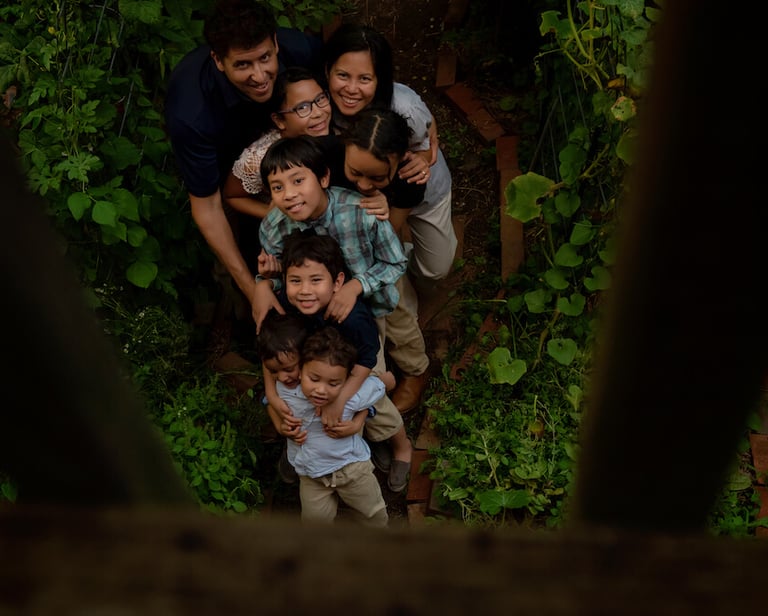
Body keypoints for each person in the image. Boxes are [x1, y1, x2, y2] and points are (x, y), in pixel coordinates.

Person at [164, 0, 322, 321]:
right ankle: (239, 315)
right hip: (226, 177)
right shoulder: (190, 110)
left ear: (276, 43)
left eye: (265, 58)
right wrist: (254, 293)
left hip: (297, 155)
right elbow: (207, 208)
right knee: (232, 256)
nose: (260, 75)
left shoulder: (301, 50)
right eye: (243, 65)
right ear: (218, 61)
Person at [253, 135, 430, 415]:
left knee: (402, 329)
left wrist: (356, 286)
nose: (288, 194)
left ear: (323, 178)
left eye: (298, 181)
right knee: (360, 352)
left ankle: (416, 371)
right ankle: (372, 399)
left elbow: (394, 262)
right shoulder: (274, 228)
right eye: (277, 187)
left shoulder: (361, 211)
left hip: (377, 292)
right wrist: (264, 283)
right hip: (327, 310)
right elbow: (275, 272)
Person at [265, 230, 411, 491]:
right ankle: (303, 448)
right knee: (303, 401)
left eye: (316, 280)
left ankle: (401, 447)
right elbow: (269, 351)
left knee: (376, 405)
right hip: (313, 367)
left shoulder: (353, 318)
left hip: (358, 361)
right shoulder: (284, 305)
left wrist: (341, 399)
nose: (305, 291)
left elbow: (366, 359)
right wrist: (271, 395)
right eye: (295, 280)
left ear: (337, 282)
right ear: (284, 280)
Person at [322, 23, 458, 291]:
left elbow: (428, 130)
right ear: (327, 71)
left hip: (418, 189)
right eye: (342, 75)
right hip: (365, 190)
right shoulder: (321, 104)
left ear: (380, 80)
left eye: (364, 79)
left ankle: (403, 256)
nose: (351, 89)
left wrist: (422, 157)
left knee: (435, 270)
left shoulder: (404, 106)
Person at [223, 66, 389, 222]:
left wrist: (377, 196)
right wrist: (274, 214)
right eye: (302, 108)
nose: (318, 113)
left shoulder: (338, 133)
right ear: (279, 120)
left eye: (320, 99)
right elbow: (233, 196)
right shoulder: (259, 157)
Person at [268, 325, 389, 527]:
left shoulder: (350, 397)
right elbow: (269, 402)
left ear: (346, 380)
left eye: (333, 384)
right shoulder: (288, 391)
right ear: (301, 371)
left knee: (374, 515)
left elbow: (379, 386)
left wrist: (359, 420)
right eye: (314, 379)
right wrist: (281, 426)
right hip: (311, 475)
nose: (321, 390)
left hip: (352, 470)